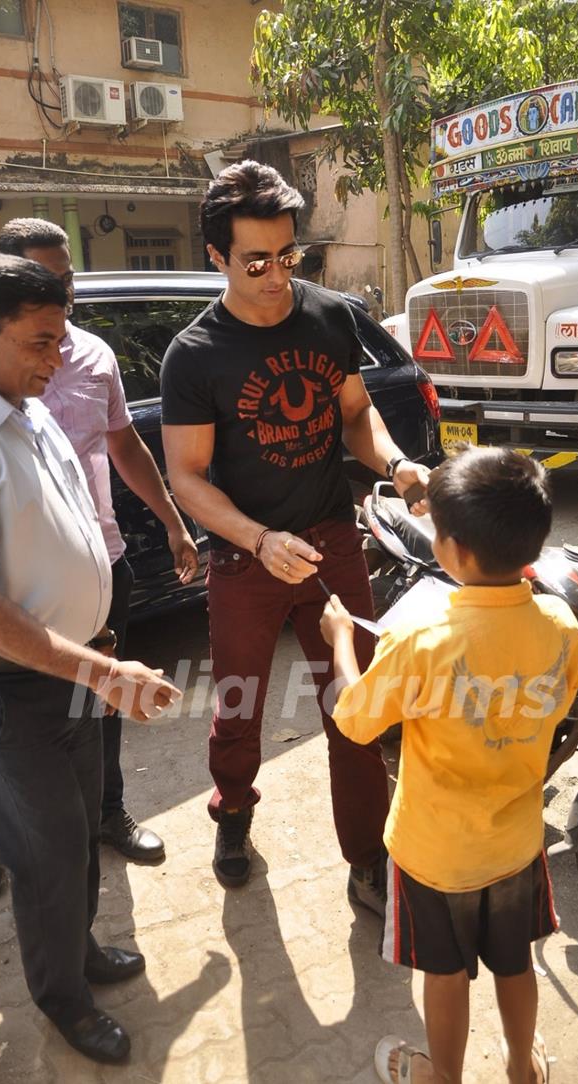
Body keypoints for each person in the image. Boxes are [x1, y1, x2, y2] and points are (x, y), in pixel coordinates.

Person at [161, 160, 430, 912]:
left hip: (330, 542)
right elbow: (187, 477)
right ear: (217, 257)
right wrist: (256, 538)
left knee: (356, 699)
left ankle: (367, 858)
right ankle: (234, 813)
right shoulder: (195, 355)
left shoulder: (329, 317)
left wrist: (400, 463)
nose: (278, 276)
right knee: (239, 702)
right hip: (246, 561)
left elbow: (353, 414)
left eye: (289, 257)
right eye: (256, 262)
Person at [0, 253, 181, 1062]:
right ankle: (63, 999)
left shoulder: (24, 397)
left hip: (69, 670)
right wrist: (104, 672)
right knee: (46, 852)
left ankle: (79, 954)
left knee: (81, 830)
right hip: (12, 690)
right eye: (41, 342)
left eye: (62, 336)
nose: (61, 357)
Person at [320, 446, 578, 1084]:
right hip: (517, 842)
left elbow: (356, 719)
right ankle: (523, 1067)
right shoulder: (561, 623)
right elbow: (558, 700)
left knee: (444, 975)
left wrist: (339, 643)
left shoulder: (421, 640)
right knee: (515, 964)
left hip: (435, 851)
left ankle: (440, 1076)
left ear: (456, 551)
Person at [0, 218, 198, 899]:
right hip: (18, 585)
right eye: (46, 282)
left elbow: (125, 445)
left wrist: (173, 522)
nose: (64, 301)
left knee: (101, 704)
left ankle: (107, 814)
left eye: (67, 282)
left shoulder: (91, 355)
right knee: (14, 729)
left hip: (102, 559)